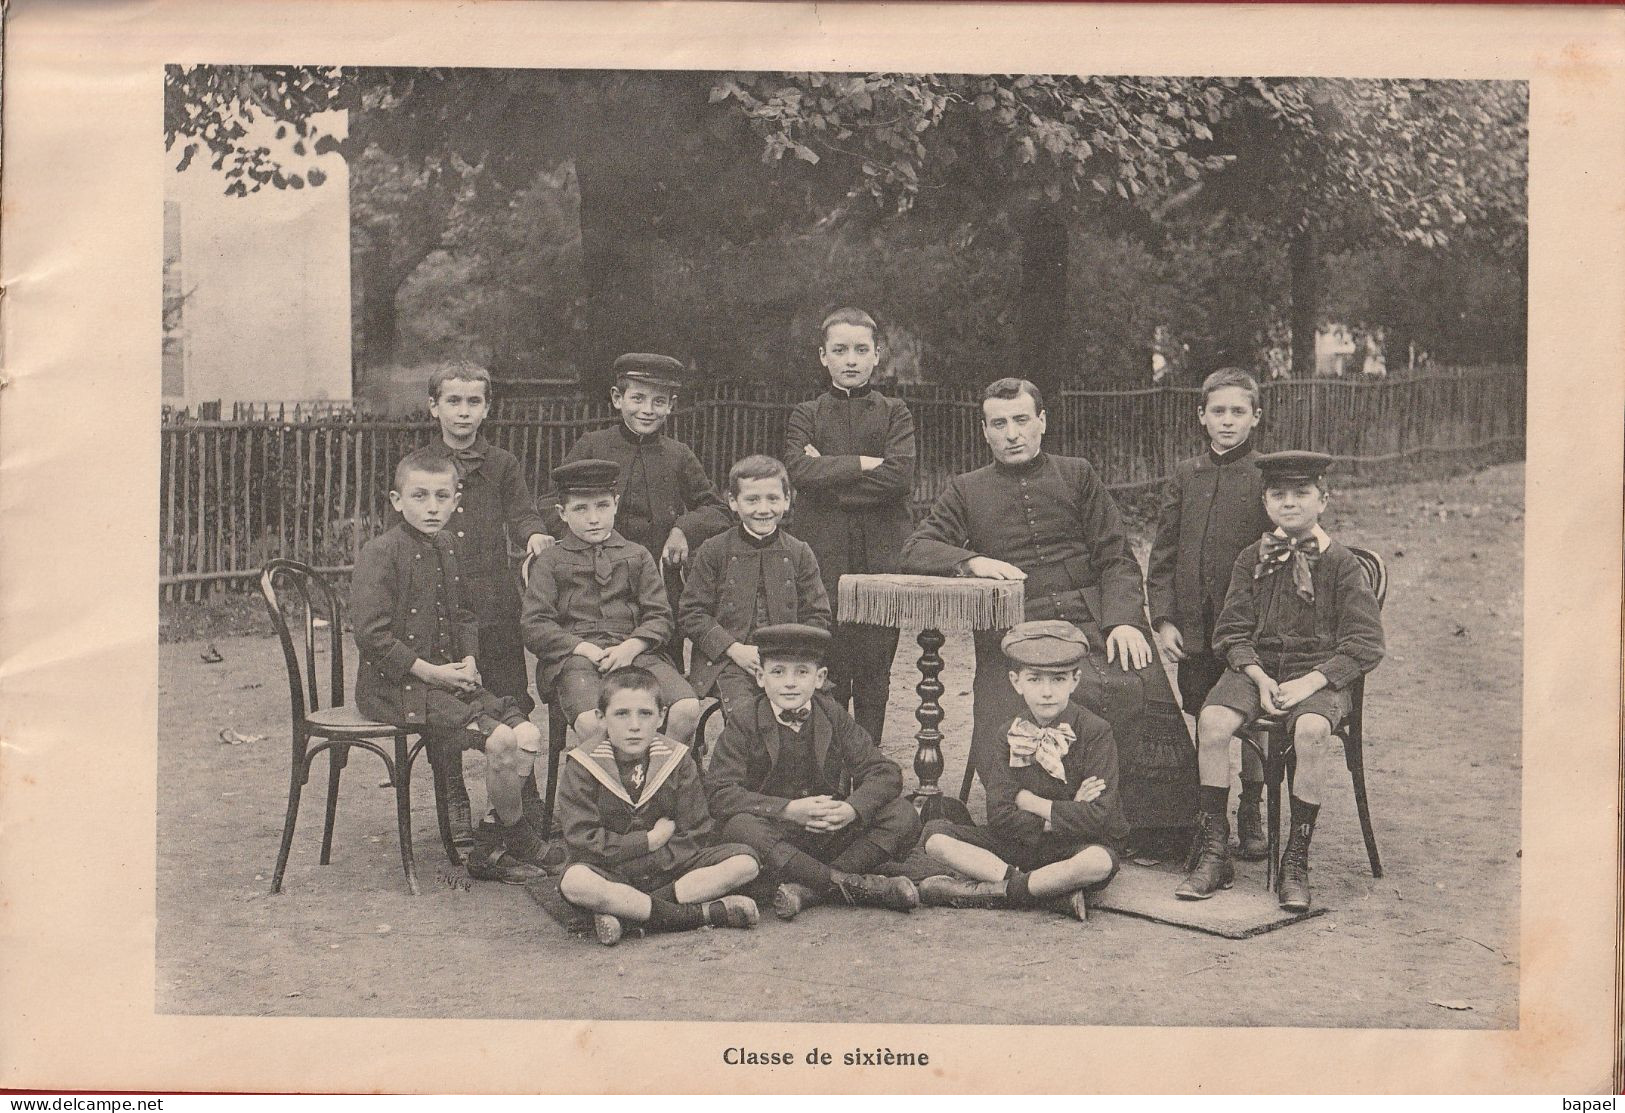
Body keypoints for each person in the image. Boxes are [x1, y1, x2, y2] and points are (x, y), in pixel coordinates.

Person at [899, 377, 1197, 838]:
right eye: (999, 424)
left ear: (1042, 422)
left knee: (1132, 681)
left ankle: (1152, 827)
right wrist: (973, 560)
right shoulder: (966, 489)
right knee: (1023, 698)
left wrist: (1123, 621)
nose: (1012, 433)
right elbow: (917, 547)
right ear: (985, 431)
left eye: (1021, 420)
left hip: (1094, 616)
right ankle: (1056, 821)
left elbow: (1116, 557)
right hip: (1018, 626)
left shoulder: (1076, 474)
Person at [1176, 451, 1385, 911]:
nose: (1289, 504)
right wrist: (1256, 673)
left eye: (1301, 494)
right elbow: (1229, 632)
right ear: (1266, 501)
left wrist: (1312, 681)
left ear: (1323, 499)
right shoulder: (1251, 557)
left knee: (1311, 732)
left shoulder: (1343, 565)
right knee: (1211, 721)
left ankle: (1296, 859)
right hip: (1257, 671)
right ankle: (1215, 849)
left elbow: (1366, 643)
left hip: (1318, 678)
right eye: (1278, 495)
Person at [351, 448, 551, 885]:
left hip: (446, 681)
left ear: (456, 500)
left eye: (442, 497)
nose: (432, 507)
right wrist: (431, 672)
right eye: (419, 496)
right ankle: (513, 841)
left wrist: (469, 660)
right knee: (500, 740)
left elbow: (463, 615)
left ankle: (491, 840)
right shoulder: (380, 553)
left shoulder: (446, 547)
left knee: (529, 734)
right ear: (396, 500)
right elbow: (371, 635)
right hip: (396, 688)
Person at [416, 362, 552, 851]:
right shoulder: (420, 466)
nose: (463, 412)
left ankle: (522, 792)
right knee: (449, 698)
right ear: (434, 407)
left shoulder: (503, 464)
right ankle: (451, 791)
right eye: (453, 401)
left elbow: (521, 512)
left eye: (474, 402)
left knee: (509, 690)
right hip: (438, 602)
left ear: (487, 409)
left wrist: (535, 534)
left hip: (494, 600)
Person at [706, 624, 922, 920]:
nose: (790, 683)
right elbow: (719, 793)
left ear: (819, 678)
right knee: (741, 826)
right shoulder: (745, 721)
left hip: (828, 833)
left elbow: (885, 772)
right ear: (760, 677)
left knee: (903, 814)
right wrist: (787, 810)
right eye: (778, 672)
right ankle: (850, 884)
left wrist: (851, 809)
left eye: (802, 672)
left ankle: (809, 889)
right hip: (777, 838)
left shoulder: (831, 714)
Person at [1147, 367, 1275, 861]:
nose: (1227, 422)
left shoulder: (1267, 475)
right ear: (1201, 417)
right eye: (1217, 412)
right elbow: (1163, 554)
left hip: (1248, 628)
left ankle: (1252, 809)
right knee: (1205, 716)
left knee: (1248, 720)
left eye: (1238, 412)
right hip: (1195, 629)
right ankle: (1210, 818)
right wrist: (1164, 618)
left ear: (1255, 418)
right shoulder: (1186, 475)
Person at [918, 620, 1127, 921]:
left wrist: (1031, 803)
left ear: (1075, 680)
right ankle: (1044, 892)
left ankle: (1005, 891)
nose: (1046, 692)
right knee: (935, 836)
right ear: (1016, 682)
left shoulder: (1096, 732)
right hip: (1015, 847)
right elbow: (1000, 816)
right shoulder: (1008, 734)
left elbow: (1099, 817)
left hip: (1071, 849)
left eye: (1057, 680)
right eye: (1034, 680)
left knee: (1099, 862)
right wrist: (1069, 809)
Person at [539, 353, 733, 664]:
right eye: (638, 398)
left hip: (655, 585)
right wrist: (584, 539)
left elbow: (716, 509)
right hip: (593, 582)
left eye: (658, 402)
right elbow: (551, 503)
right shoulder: (593, 445)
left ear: (670, 405)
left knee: (660, 667)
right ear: (618, 398)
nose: (647, 410)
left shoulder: (678, 455)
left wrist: (682, 529)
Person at [784, 308, 916, 744]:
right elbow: (798, 472)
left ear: (877, 355)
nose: (851, 359)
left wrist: (827, 475)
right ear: (823, 357)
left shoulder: (896, 412)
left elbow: (898, 478)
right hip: (822, 557)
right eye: (840, 350)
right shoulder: (806, 412)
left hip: (881, 555)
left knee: (876, 672)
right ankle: (831, 772)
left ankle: (869, 766)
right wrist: (862, 464)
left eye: (861, 349)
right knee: (830, 669)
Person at [555, 667, 761, 946]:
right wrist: (646, 842)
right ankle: (693, 915)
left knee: (746, 863)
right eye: (621, 714)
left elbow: (696, 830)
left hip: (671, 869)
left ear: (662, 716)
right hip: (612, 870)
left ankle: (629, 915)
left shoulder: (676, 759)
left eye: (645, 714)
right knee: (575, 881)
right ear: (601, 718)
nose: (634, 725)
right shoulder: (583, 765)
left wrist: (656, 861)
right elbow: (582, 839)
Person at [521, 458, 702, 749]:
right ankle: (612, 790)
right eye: (581, 508)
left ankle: (654, 785)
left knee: (686, 708)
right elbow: (535, 624)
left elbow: (660, 616)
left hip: (636, 654)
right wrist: (583, 648)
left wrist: (632, 646)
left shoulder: (637, 555)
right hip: (575, 660)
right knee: (595, 723)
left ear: (616, 504)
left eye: (602, 506)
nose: (593, 518)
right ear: (562, 513)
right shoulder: (551, 561)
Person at [679, 455, 832, 722]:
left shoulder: (799, 552)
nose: (763, 509)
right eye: (752, 500)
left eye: (773, 499)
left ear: (787, 500)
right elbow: (692, 613)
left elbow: (818, 615)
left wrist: (791, 655)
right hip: (727, 662)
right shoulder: (714, 550)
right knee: (748, 717)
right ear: (733, 502)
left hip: (788, 661)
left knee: (819, 717)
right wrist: (733, 648)